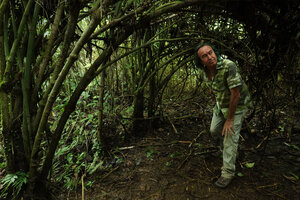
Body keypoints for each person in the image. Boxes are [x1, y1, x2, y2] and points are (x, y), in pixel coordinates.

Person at [195, 43, 252, 188]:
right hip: (221, 105)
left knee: (229, 136)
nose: (209, 57)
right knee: (214, 130)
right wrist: (213, 90)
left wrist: (230, 119)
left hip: (237, 106)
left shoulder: (228, 66)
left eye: (211, 53)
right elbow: (213, 85)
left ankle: (227, 173)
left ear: (215, 52)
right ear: (201, 61)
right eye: (204, 56)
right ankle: (230, 151)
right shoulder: (205, 71)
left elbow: (236, 94)